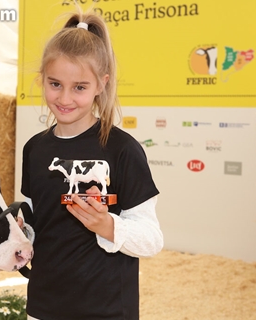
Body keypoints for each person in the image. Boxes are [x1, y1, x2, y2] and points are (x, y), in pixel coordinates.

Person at [19, 8, 163, 320]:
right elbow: (36, 223)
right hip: (43, 307)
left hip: (107, 310)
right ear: (41, 80)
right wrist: (21, 232)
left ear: (101, 84)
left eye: (80, 87)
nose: (65, 97)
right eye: (55, 84)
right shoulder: (34, 149)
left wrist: (107, 225)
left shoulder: (123, 150)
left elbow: (152, 239)